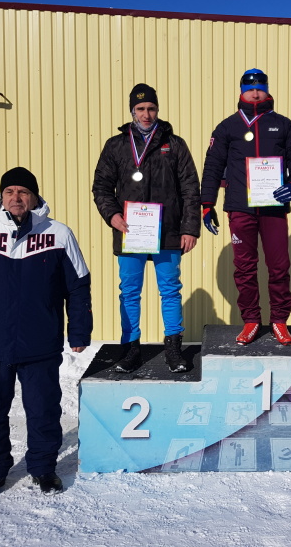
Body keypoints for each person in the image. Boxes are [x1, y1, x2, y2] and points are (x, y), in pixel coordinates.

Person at [0, 167, 93, 500]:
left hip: (40, 342)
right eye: (10, 192)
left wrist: (79, 331)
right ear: (1, 197)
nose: (16, 198)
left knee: (43, 409)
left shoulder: (58, 234)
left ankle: (43, 468)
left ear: (35, 198)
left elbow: (77, 287)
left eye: (23, 192)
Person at [93, 83, 200, 373]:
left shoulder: (174, 144)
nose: (146, 114)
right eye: (140, 109)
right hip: (131, 232)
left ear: (157, 109)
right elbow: (101, 186)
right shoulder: (116, 145)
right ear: (132, 111)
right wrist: (112, 215)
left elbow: (191, 188)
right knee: (129, 291)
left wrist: (190, 228)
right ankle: (130, 348)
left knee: (170, 289)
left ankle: (174, 348)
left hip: (167, 232)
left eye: (151, 108)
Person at [201, 68, 291, 346]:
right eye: (250, 87)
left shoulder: (282, 124)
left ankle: (279, 321)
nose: (256, 91)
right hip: (240, 208)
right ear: (241, 91)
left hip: (273, 208)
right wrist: (207, 203)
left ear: (267, 89)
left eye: (260, 86)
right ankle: (251, 320)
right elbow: (213, 165)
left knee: (279, 266)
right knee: (245, 267)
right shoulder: (228, 127)